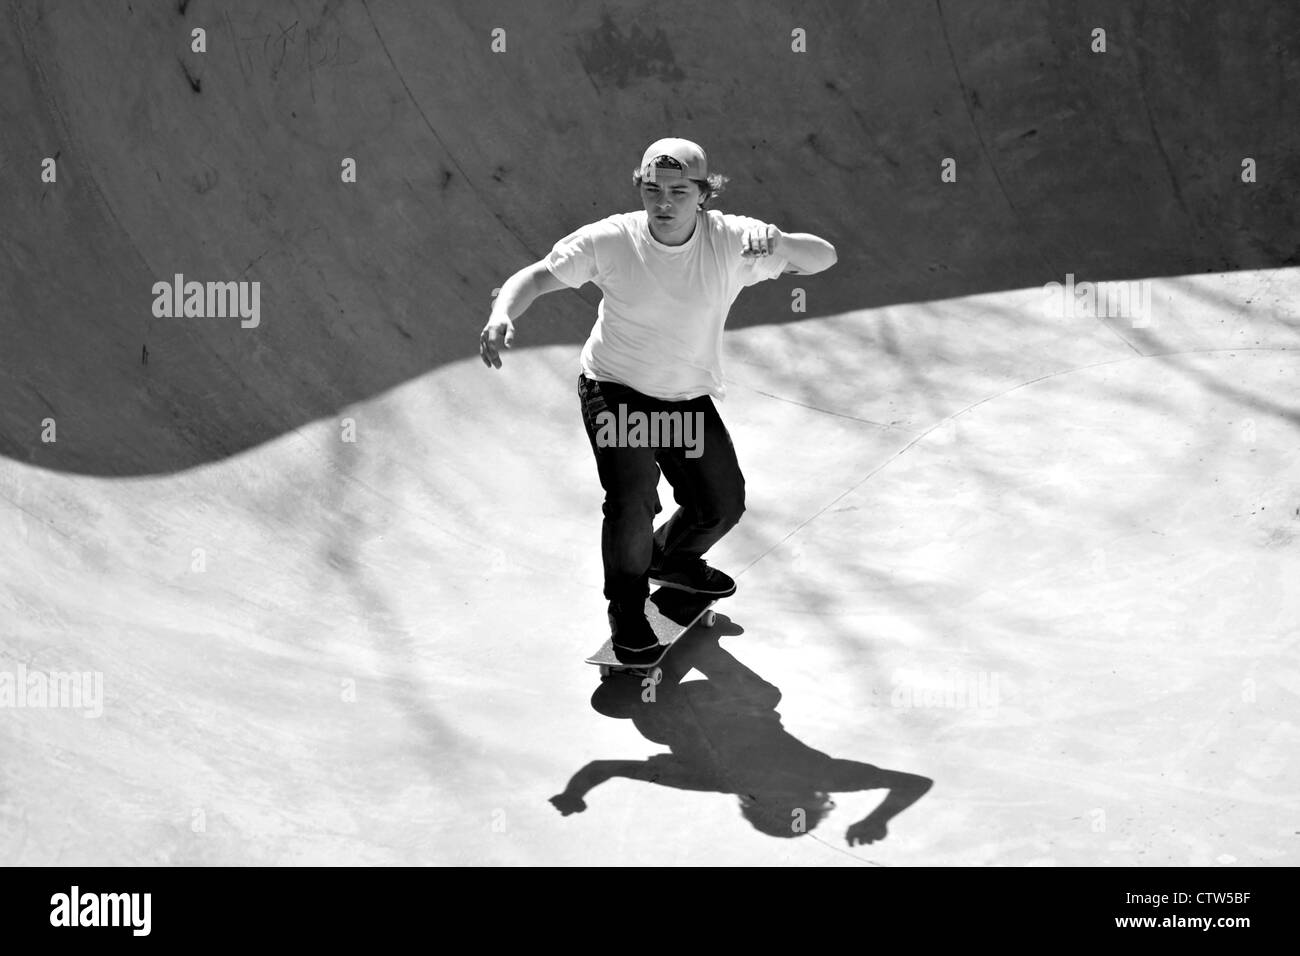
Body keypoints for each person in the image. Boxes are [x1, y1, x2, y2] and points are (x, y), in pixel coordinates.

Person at [480, 138, 836, 658]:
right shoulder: (612, 239)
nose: (663, 203)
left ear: (704, 194)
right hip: (616, 390)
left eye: (677, 191)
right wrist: (502, 313)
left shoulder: (731, 241)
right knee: (632, 500)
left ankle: (670, 560)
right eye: (652, 191)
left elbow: (823, 258)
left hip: (682, 399)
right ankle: (626, 604)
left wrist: (780, 240)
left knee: (720, 503)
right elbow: (535, 276)